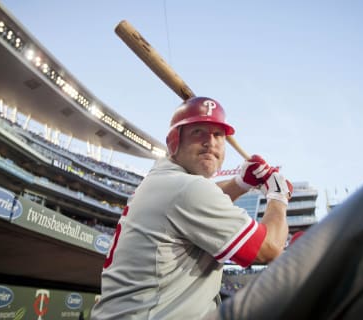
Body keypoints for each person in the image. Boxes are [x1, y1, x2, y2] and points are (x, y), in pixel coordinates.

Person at [91, 97, 292, 320]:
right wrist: (278, 196)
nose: (210, 142)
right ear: (173, 141)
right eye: (198, 132)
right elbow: (269, 249)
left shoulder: (165, 182)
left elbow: (201, 198)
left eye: (218, 135)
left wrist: (241, 183)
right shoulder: (185, 189)